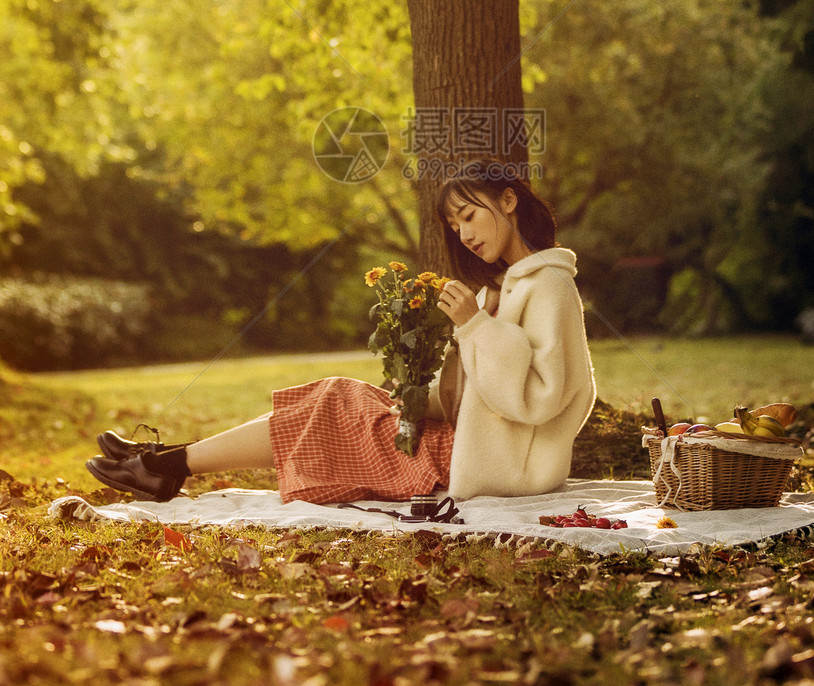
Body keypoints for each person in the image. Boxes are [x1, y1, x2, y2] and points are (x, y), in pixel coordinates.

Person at [86, 162, 596, 504]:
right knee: (338, 396)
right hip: (469, 442)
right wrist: (421, 397)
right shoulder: (508, 286)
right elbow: (486, 390)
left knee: (333, 403)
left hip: (495, 465)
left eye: (469, 216)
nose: (464, 234)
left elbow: (543, 399)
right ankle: (164, 462)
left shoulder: (549, 285)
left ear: (508, 202)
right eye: (454, 224)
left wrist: (476, 327)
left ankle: (166, 464)